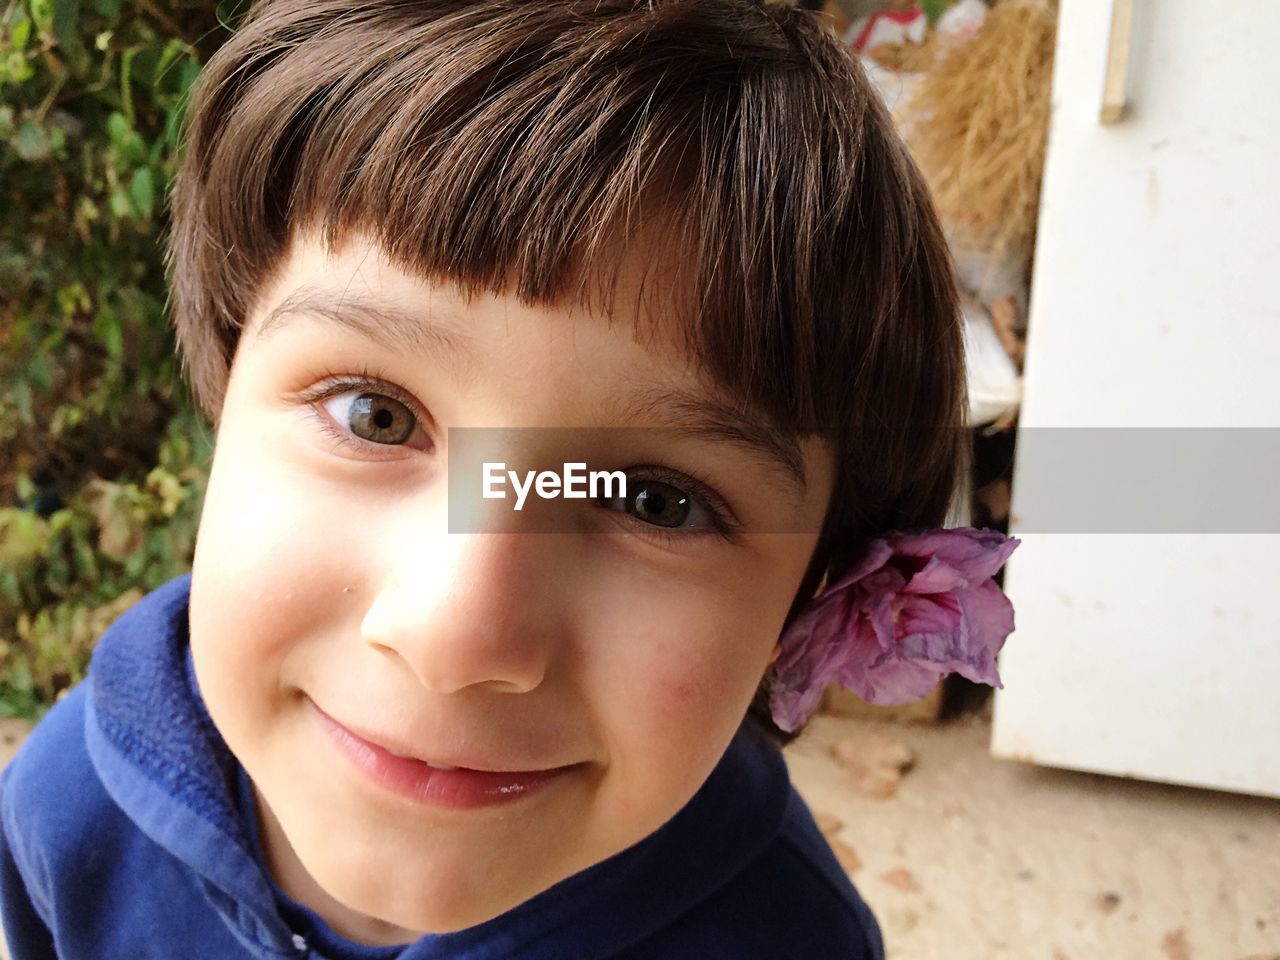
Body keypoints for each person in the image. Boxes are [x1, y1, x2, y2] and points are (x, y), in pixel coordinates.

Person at [0, 0, 1018, 956]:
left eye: (652, 500)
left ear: (807, 602)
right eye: (375, 415)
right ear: (225, 385)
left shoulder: (784, 937)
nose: (457, 635)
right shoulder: (66, 809)